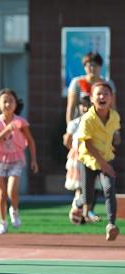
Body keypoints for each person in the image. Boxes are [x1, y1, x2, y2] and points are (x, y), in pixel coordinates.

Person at [70, 82, 121, 241]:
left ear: (111, 98)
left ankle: (111, 225)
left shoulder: (114, 117)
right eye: (98, 94)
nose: (102, 97)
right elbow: (87, 143)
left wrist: (115, 140)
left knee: (108, 189)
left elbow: (113, 132)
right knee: (88, 198)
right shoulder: (88, 118)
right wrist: (104, 164)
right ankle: (78, 204)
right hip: (88, 160)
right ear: (91, 98)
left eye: (106, 94)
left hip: (106, 158)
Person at [0, 89, 38, 234]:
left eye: (11, 101)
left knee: (12, 191)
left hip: (16, 158)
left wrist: (34, 160)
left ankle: (14, 210)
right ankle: (2, 222)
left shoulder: (20, 122)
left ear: (16, 104)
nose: (8, 104)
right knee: (1, 193)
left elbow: (31, 141)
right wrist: (7, 130)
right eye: (4, 101)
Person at [63, 96, 100, 224]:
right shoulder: (74, 123)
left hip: (92, 157)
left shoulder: (96, 123)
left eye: (88, 106)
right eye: (83, 105)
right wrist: (75, 150)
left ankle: (84, 212)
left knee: (91, 187)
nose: (85, 108)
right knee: (80, 186)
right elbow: (67, 141)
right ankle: (78, 209)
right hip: (78, 157)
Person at [66, 52, 115, 125]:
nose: (92, 68)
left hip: (101, 125)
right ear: (84, 67)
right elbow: (71, 108)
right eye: (89, 65)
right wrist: (70, 128)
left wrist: (115, 130)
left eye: (95, 65)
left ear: (100, 66)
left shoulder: (108, 83)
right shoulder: (77, 82)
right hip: (81, 125)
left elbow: (113, 108)